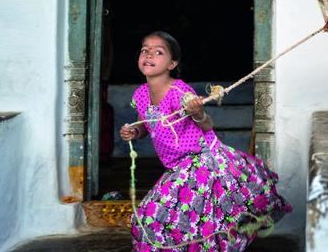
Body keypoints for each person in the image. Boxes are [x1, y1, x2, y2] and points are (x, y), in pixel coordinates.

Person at [120, 31, 291, 251]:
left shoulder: (180, 92)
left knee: (168, 216)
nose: (149, 55)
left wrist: (198, 113)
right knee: (156, 216)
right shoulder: (141, 94)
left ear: (172, 63)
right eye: (145, 50)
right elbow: (145, 122)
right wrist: (135, 132)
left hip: (202, 161)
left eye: (158, 52)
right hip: (177, 166)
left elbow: (206, 125)